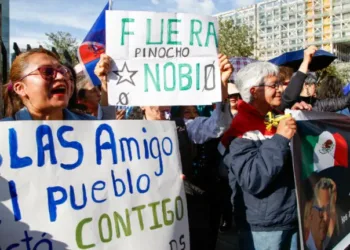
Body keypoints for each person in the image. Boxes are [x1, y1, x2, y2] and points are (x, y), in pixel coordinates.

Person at [95, 53, 233, 250]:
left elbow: (219, 125)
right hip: (146, 213)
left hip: (186, 208)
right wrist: (106, 86)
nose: (161, 103)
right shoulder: (127, 131)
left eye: (165, 97)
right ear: (141, 104)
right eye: (154, 97)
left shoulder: (185, 126)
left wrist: (222, 87)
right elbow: (103, 132)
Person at [221, 61, 300, 250]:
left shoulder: (277, 117)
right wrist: (281, 138)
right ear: (255, 91)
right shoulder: (240, 128)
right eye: (274, 85)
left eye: (280, 84)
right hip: (264, 228)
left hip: (290, 217)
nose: (280, 90)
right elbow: (253, 179)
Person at [2, 48, 95, 121]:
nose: (61, 77)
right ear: (20, 88)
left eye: (62, 71)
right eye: (47, 71)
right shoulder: (3, 133)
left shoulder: (93, 126)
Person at [305, 178, 336, 250]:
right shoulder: (304, 241)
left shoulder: (327, 242)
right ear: (310, 214)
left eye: (327, 209)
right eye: (320, 210)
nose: (325, 218)